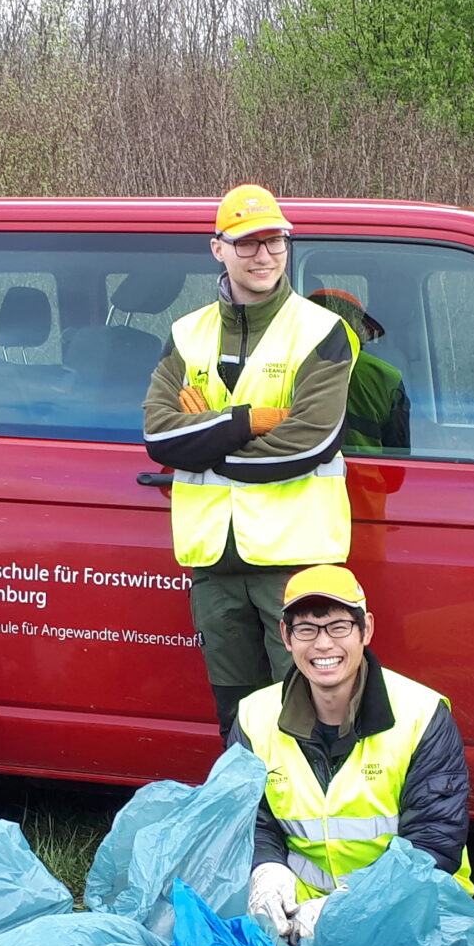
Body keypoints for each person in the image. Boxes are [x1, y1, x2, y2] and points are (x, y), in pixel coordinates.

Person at [142, 185, 357, 731]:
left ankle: (307, 818)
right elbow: (161, 438)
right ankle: (250, 818)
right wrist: (245, 422)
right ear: (218, 249)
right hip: (214, 564)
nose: (263, 255)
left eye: (275, 241)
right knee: (236, 717)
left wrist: (206, 439)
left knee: (309, 710)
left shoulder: (323, 331)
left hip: (295, 561)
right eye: (247, 243)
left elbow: (307, 443)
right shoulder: (185, 333)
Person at [235, 565, 471, 946]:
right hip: (297, 916)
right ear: (286, 637)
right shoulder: (254, 716)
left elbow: (434, 841)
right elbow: (247, 820)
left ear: (367, 630)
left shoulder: (421, 714)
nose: (323, 645)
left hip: (409, 911)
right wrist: (265, 869)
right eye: (306, 629)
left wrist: (351, 907)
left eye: (338, 627)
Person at [306, 288, 410, 452]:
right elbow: (400, 453)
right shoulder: (387, 377)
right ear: (356, 323)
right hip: (368, 474)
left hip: (304, 473)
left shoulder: (282, 366)